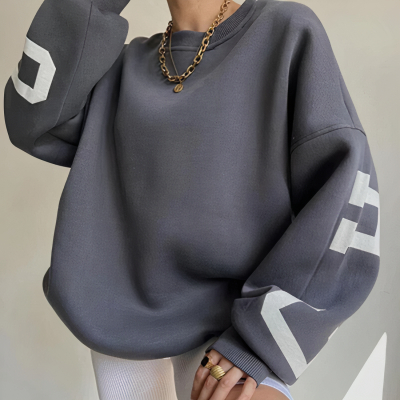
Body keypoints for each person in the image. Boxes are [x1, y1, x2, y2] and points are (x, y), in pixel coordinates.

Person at [3, 0, 380, 398]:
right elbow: (32, 119)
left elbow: (344, 190)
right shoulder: (121, 69)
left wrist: (260, 343)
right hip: (120, 335)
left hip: (236, 329)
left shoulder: (285, 30)